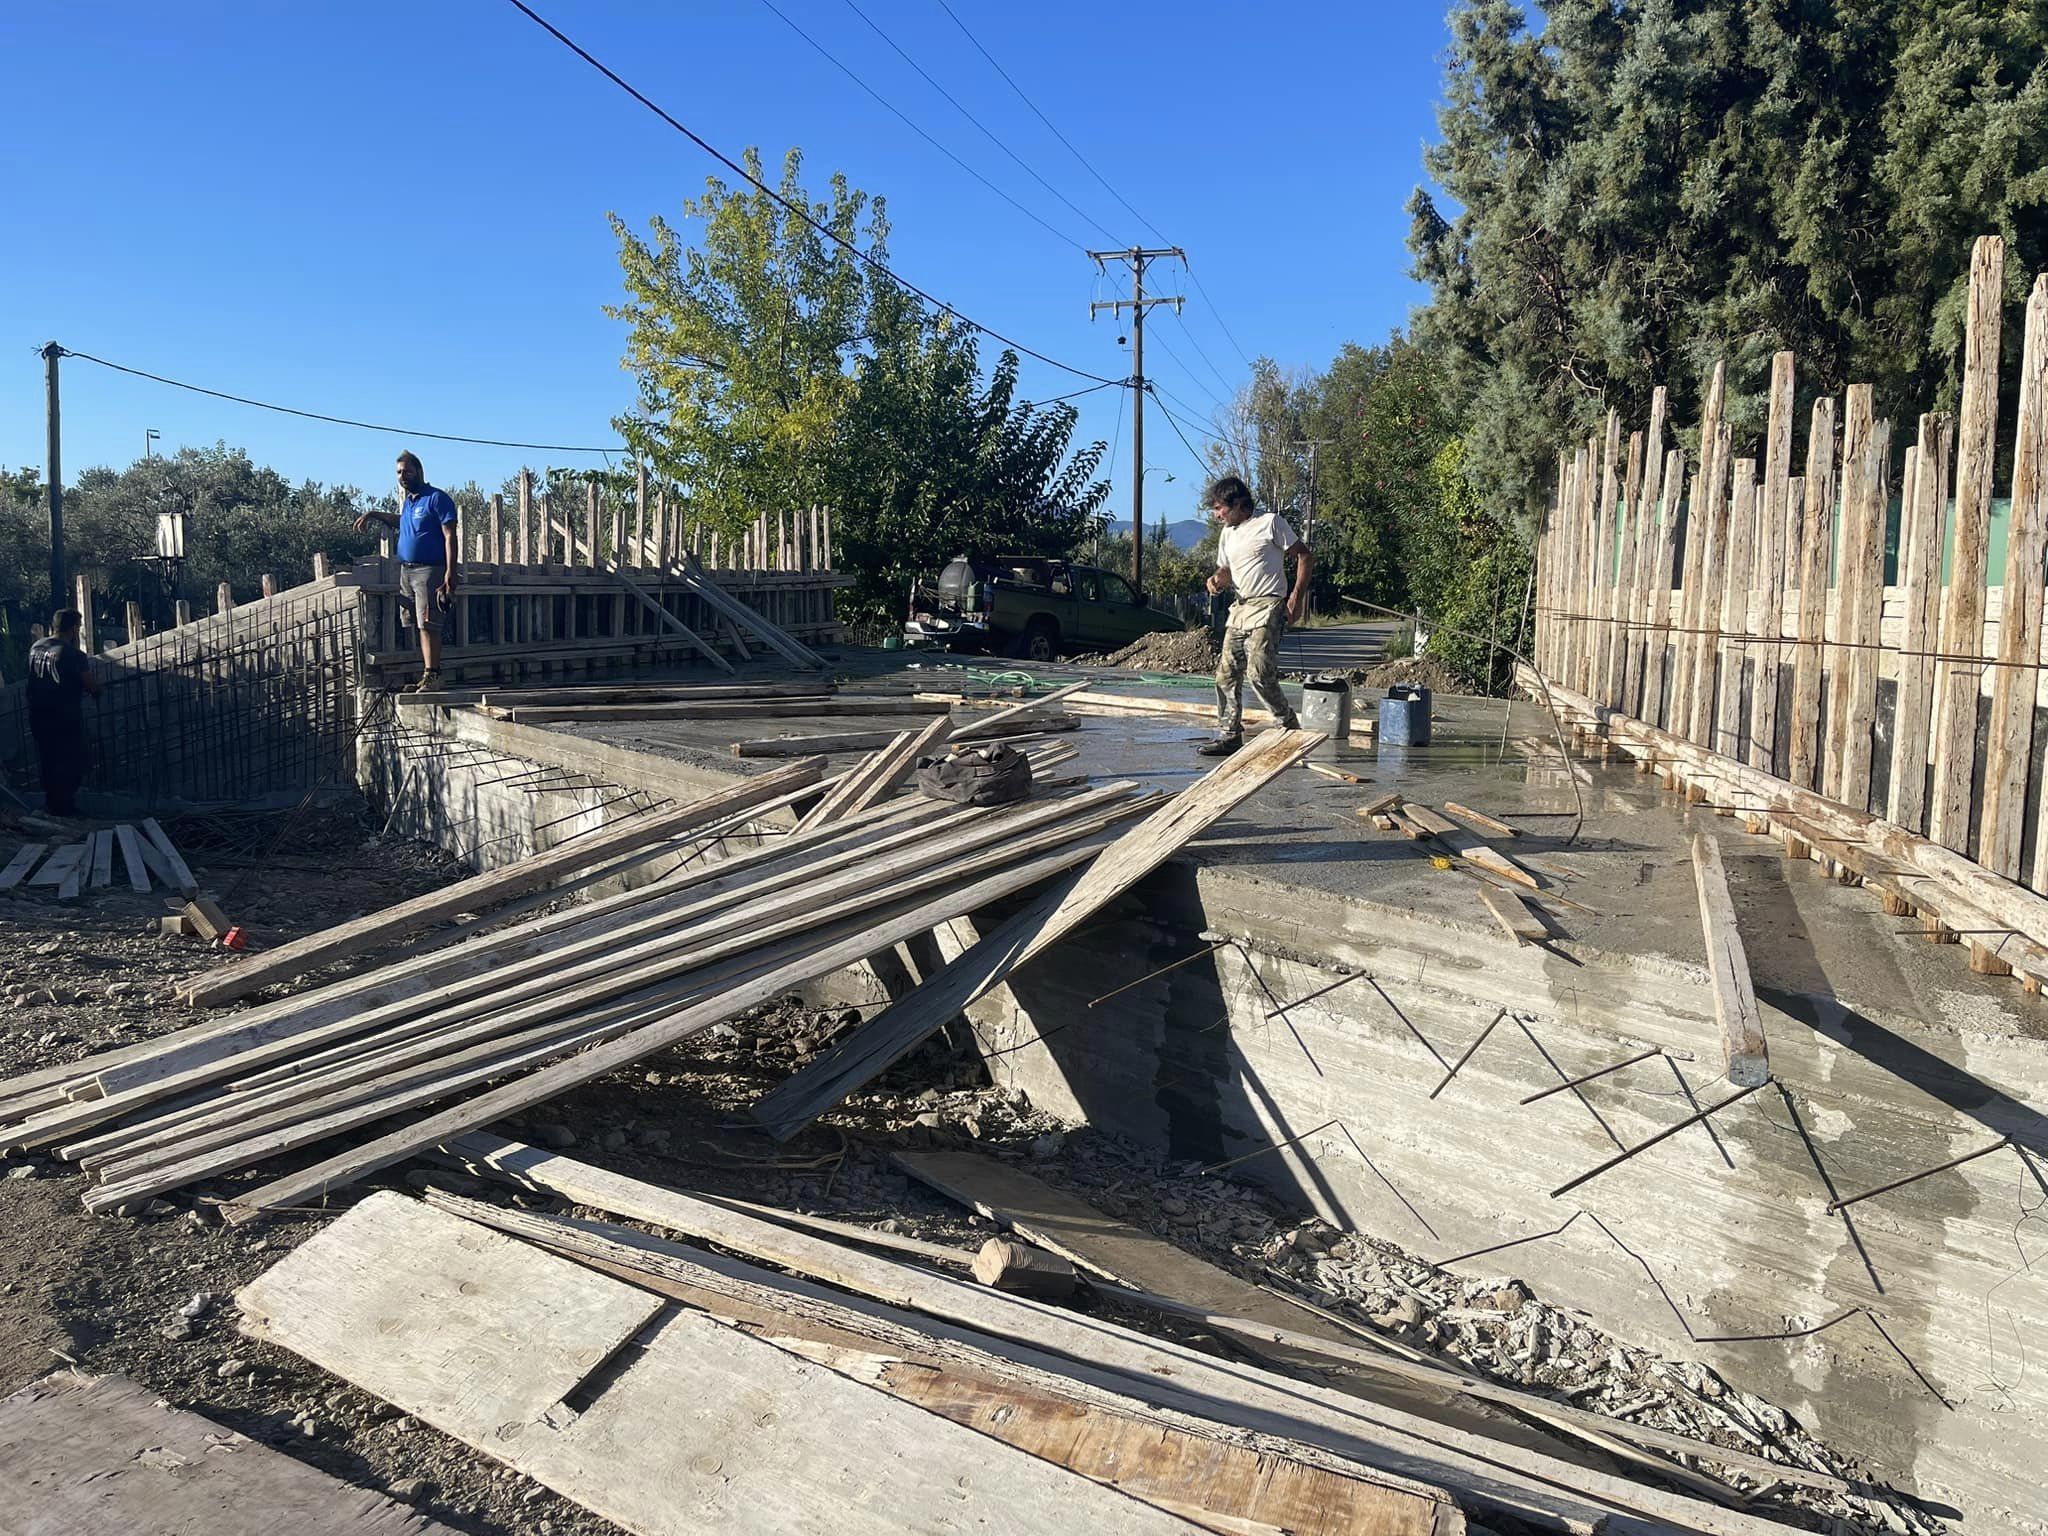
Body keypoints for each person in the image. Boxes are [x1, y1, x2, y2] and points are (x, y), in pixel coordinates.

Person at [1199, 475, 1310, 755]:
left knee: (1259, 672)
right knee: (1226, 674)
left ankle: (1288, 729)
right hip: (1241, 608)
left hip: (1269, 605)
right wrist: (1216, 580)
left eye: (1219, 508)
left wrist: (1296, 596)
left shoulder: (1270, 523)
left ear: (1237, 503)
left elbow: (1304, 555)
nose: (1216, 515)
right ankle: (1229, 734)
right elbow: (1225, 570)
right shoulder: (1228, 534)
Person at [355, 450, 459, 692]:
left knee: (429, 623)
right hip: (407, 571)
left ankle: (434, 675)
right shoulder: (410, 502)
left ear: (419, 472)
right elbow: (401, 521)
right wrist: (373, 514)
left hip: (429, 570)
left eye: (407, 471)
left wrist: (450, 573)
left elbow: (450, 535)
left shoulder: (436, 498)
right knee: (415, 623)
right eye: (399, 472)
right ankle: (427, 673)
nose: (403, 476)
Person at [26, 608, 100, 816]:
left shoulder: (36, 647)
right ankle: (65, 806)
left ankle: (53, 803)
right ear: (74, 628)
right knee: (73, 760)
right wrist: (99, 691)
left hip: (38, 714)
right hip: (64, 716)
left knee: (48, 759)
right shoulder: (73, 654)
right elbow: (90, 684)